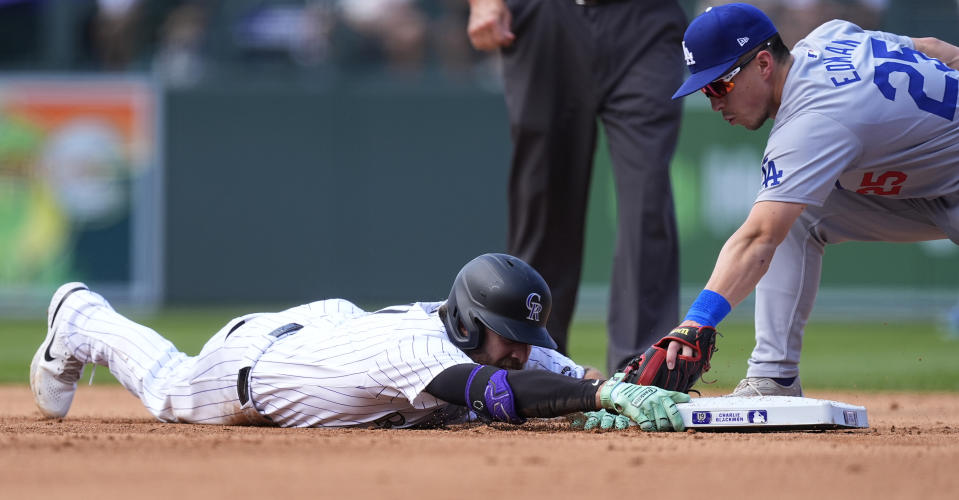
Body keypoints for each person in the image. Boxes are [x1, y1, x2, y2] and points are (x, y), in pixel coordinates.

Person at [30, 253, 689, 430]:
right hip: (256, 367)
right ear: (467, 325)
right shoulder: (424, 352)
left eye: (526, 336)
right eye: (507, 336)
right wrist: (598, 394)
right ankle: (83, 317)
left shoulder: (495, 339)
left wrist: (616, 390)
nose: (520, 349)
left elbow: (556, 376)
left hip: (334, 331)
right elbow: (500, 390)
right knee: (170, 385)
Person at [663, 3, 959, 396]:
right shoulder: (830, 36)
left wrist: (696, 322)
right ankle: (774, 375)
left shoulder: (811, 121)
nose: (714, 101)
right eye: (704, 89)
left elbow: (757, 240)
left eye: (719, 84)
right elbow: (936, 48)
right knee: (799, 211)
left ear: (764, 64)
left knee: (776, 220)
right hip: (937, 188)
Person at [466, 0, 688, 376]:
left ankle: (642, 369)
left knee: (647, 198)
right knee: (544, 199)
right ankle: (530, 363)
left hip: (647, 20)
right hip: (546, 17)